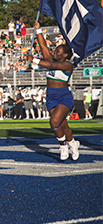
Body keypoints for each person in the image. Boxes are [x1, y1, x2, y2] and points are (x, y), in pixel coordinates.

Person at [28, 21, 79, 161]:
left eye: (58, 52)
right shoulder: (52, 59)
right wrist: (38, 31)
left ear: (65, 55)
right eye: (55, 50)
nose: (55, 52)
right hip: (51, 96)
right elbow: (43, 45)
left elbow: (50, 65)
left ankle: (63, 146)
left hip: (63, 96)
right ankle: (73, 143)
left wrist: (35, 60)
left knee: (54, 122)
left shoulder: (68, 65)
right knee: (63, 125)